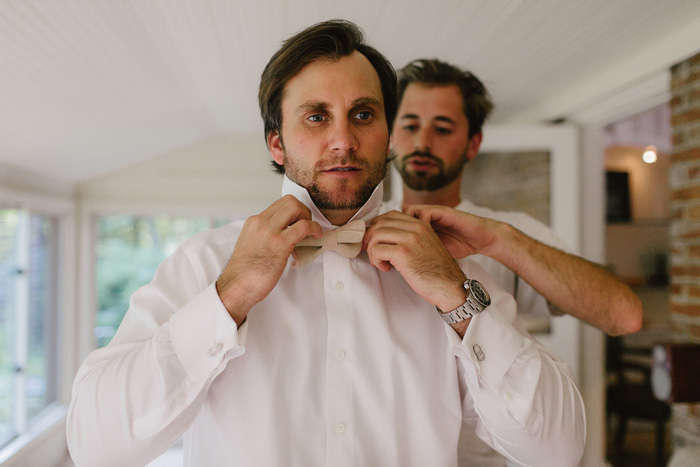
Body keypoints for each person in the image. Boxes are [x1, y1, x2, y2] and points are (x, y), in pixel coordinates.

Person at [66, 20, 585, 466]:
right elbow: (95, 443)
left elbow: (559, 448)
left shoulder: (451, 271)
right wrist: (228, 297)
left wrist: (457, 299)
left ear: (387, 135)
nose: (343, 140)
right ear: (277, 141)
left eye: (363, 114)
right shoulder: (207, 263)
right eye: (317, 117)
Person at [386, 58, 642, 336]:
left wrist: (499, 241)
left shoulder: (508, 231)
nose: (423, 142)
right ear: (390, 136)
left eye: (443, 129)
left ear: (473, 144)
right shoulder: (365, 224)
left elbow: (625, 316)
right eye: (410, 126)